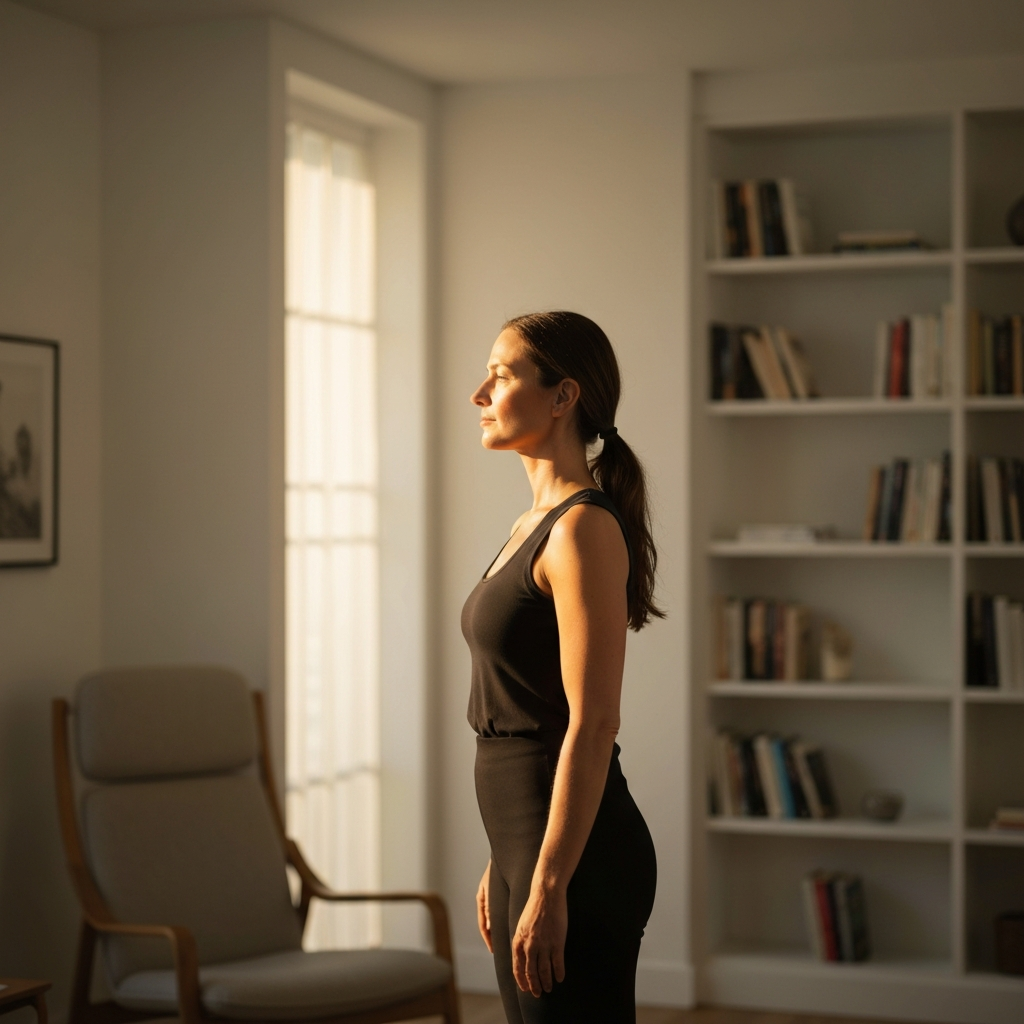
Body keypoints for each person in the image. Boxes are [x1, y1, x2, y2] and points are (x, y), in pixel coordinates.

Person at [461, 311, 660, 1024]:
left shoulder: (581, 528)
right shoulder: (531, 524)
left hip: (579, 862)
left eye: (503, 374)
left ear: (563, 396)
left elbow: (591, 721)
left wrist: (547, 884)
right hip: (525, 842)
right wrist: (504, 861)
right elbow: (523, 708)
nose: (480, 393)